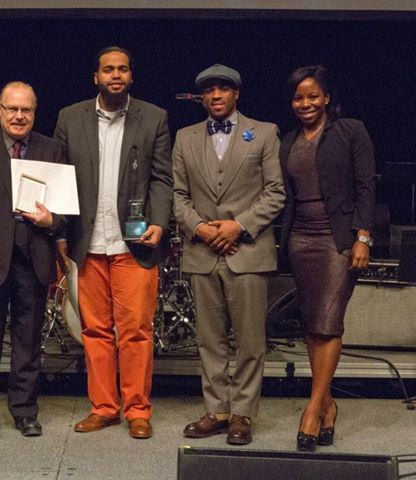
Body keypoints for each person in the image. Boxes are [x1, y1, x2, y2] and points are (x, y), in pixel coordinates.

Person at [54, 46, 172, 439]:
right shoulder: (70, 118)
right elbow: (59, 179)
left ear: (131, 76)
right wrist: (59, 234)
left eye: (122, 69)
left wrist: (160, 221)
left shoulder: (153, 117)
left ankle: (137, 410)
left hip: (134, 245)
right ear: (96, 77)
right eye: (108, 69)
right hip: (87, 243)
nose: (115, 75)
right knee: (95, 331)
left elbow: (162, 178)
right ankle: (104, 408)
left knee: (136, 330)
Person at [173, 64, 285, 446]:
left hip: (248, 251)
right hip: (202, 252)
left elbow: (275, 192)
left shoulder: (264, 133)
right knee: (210, 340)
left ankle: (242, 414)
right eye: (209, 90)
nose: (216, 95)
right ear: (202, 97)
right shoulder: (185, 137)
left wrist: (239, 225)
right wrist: (201, 228)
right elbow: (178, 196)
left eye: (223, 89)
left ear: (236, 93)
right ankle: (217, 410)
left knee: (250, 341)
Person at [0, 81, 65, 439]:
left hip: (34, 258)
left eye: (26, 110)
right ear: (0, 110)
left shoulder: (51, 149)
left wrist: (51, 221)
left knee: (28, 342)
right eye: (12, 109)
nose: (19, 116)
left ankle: (24, 410)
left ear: (34, 113)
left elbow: (64, 213)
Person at [280, 65, 375, 451]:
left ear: (327, 98)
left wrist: (363, 237)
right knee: (311, 326)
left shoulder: (351, 131)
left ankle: (313, 409)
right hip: (300, 239)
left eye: (313, 96)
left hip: (338, 241)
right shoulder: (288, 140)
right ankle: (329, 405)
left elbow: (366, 187)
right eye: (298, 97)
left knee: (328, 324)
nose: (305, 103)